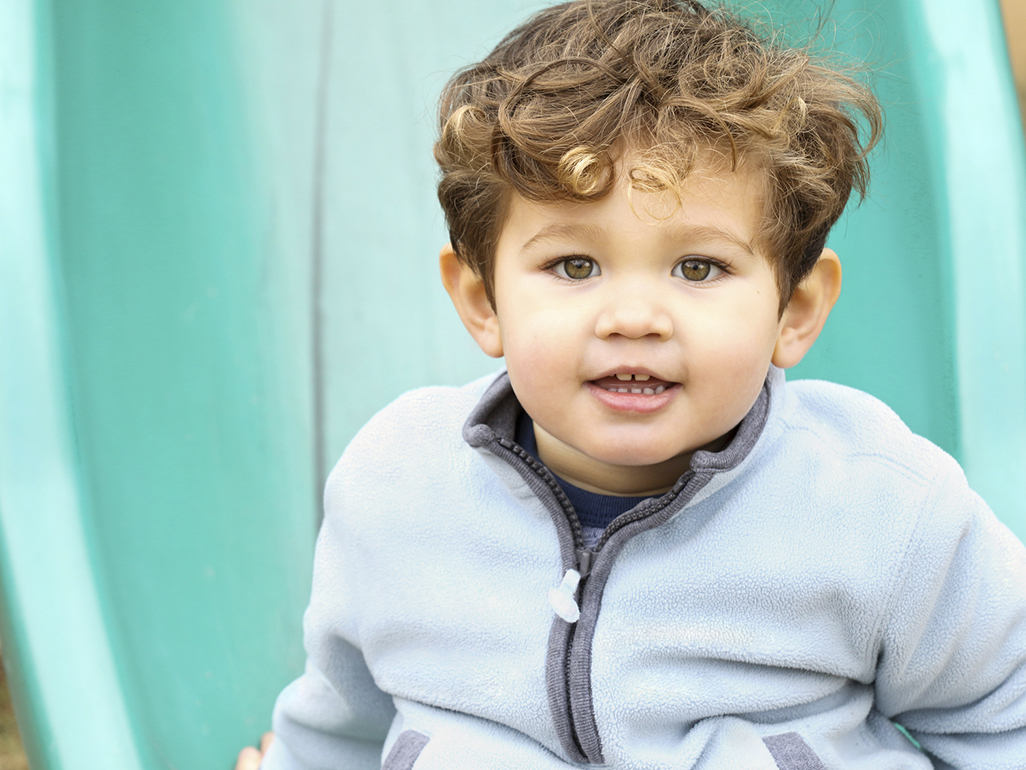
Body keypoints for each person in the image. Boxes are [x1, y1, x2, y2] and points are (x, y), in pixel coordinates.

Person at [239, 0, 1026, 767]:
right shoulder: (395, 485)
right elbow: (345, 715)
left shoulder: (881, 511)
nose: (635, 317)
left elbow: (1008, 712)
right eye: (574, 266)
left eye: (698, 267)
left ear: (795, 307)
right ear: (483, 301)